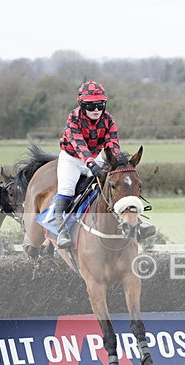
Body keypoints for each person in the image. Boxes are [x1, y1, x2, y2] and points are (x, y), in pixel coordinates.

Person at [54, 80, 120, 248]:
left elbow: (112, 144)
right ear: (82, 105)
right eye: (91, 106)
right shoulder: (73, 118)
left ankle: (133, 222)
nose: (96, 110)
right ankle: (61, 230)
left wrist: (116, 164)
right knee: (67, 190)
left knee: (114, 184)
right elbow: (79, 145)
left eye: (100, 104)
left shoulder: (108, 120)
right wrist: (91, 164)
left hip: (95, 156)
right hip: (72, 158)